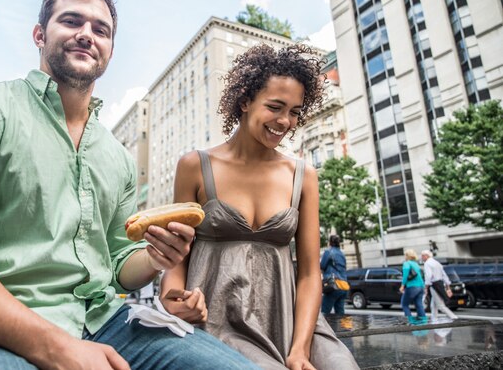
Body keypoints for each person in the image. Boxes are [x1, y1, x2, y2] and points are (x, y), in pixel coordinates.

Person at [0, 0, 259, 370]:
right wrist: (58, 347)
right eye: (71, 21)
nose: (87, 34)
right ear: (39, 35)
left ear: (109, 50)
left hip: (106, 321)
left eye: (101, 29)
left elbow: (119, 264)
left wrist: (156, 258)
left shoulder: (118, 158)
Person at [160, 44, 360, 370]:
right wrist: (174, 301)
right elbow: (176, 258)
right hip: (219, 319)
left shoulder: (303, 176)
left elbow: (310, 272)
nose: (285, 121)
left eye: (295, 112)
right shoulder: (195, 165)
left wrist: (300, 349)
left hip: (292, 317)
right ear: (244, 101)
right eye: (275, 107)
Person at [421, 250, 458, 321]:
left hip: (434, 285)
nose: (422, 257)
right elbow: (444, 275)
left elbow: (428, 276)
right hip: (440, 284)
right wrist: (448, 287)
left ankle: (453, 316)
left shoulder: (427, 264)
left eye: (422, 256)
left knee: (440, 305)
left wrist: (426, 287)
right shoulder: (437, 263)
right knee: (433, 304)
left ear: (426, 256)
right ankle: (434, 318)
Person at [320, 235, 348, 315]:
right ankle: (342, 327)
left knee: (324, 312)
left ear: (330, 242)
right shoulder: (342, 254)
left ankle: (325, 328)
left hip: (334, 285)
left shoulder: (328, 252)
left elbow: (322, 266)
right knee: (340, 313)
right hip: (344, 285)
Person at [398, 249, 426, 323]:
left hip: (412, 286)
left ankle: (410, 321)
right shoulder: (416, 264)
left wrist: (402, 286)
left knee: (404, 304)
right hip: (420, 287)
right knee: (419, 304)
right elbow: (420, 276)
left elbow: (405, 276)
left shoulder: (406, 263)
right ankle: (423, 322)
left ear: (407, 255)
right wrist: (424, 287)